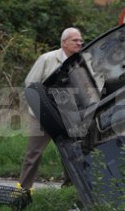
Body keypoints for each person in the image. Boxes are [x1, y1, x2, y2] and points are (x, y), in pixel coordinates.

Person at [19, 27, 83, 190]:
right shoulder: (47, 59)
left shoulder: (81, 62)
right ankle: (24, 189)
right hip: (43, 114)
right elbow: (30, 83)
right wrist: (43, 106)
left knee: (71, 153)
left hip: (67, 115)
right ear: (64, 43)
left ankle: (69, 189)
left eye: (80, 40)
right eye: (75, 40)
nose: (79, 43)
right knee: (33, 153)